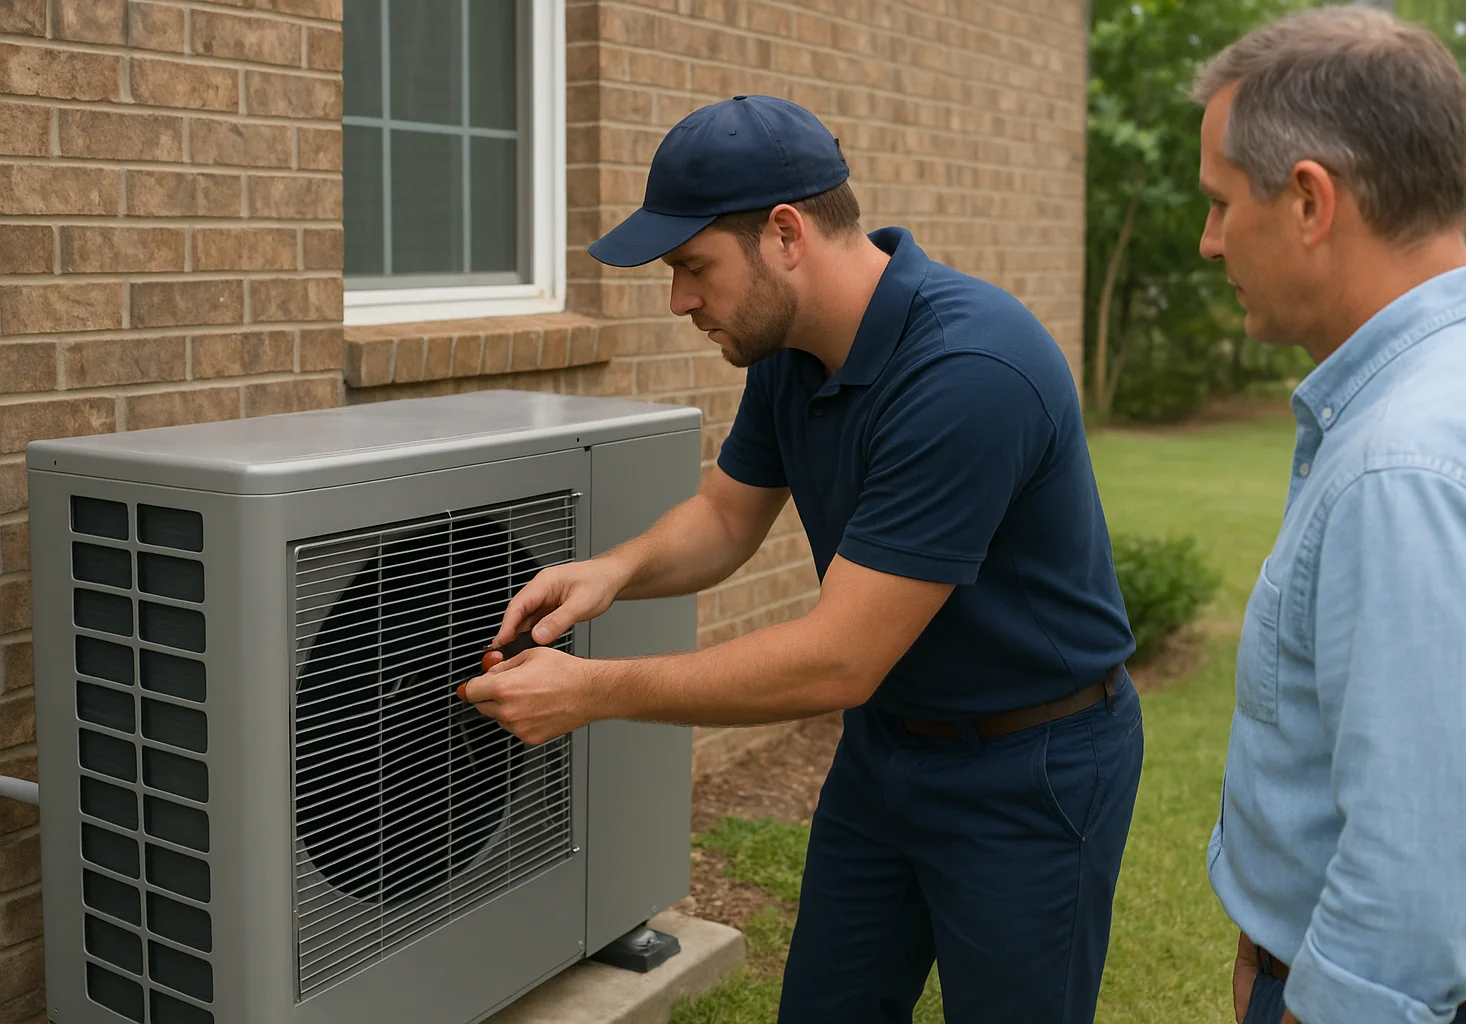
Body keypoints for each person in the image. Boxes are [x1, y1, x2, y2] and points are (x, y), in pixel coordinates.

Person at [458, 95, 1143, 1023]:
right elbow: (725, 516)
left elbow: (839, 659)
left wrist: (591, 692)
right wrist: (608, 573)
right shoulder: (790, 348)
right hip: (889, 752)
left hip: (1032, 767)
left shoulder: (967, 372)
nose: (680, 301)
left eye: (694, 268)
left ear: (786, 234)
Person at [1193, 8, 1466, 1024]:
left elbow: (1411, 899)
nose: (1210, 242)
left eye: (1219, 203)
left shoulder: (1410, 465)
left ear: (1308, 200)